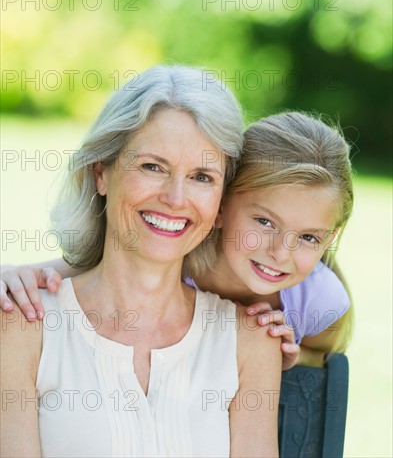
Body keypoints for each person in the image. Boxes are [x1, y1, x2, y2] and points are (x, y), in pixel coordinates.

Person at [1, 65, 282, 458]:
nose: (175, 198)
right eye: (153, 166)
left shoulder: (248, 343)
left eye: (202, 177)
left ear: (221, 204)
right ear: (101, 173)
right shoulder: (24, 325)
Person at [1, 113, 354, 371]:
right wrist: (14, 274)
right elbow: (80, 268)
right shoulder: (174, 251)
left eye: (308, 237)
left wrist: (292, 356)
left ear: (330, 238)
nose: (280, 252)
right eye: (264, 222)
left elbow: (326, 360)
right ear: (219, 204)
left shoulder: (318, 300)